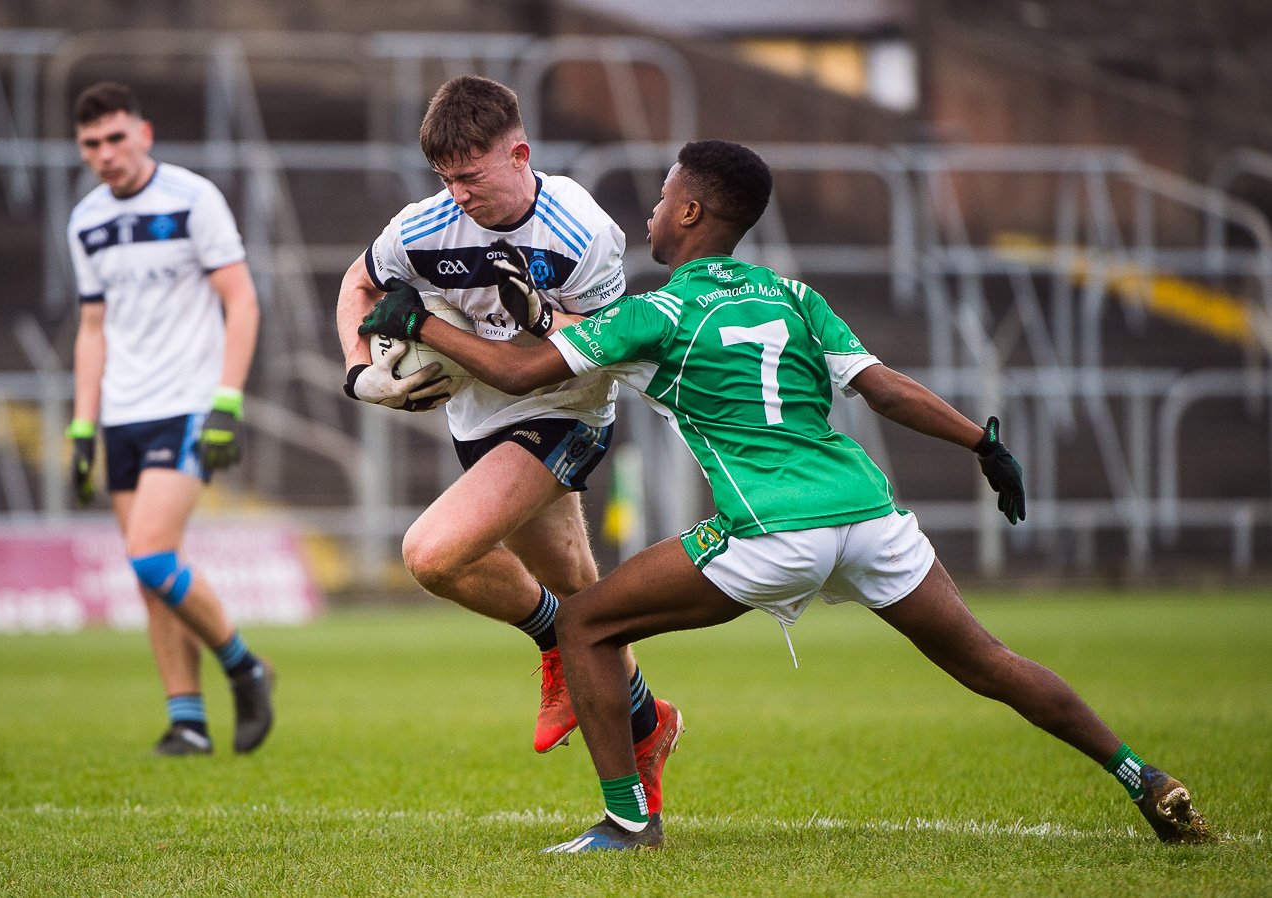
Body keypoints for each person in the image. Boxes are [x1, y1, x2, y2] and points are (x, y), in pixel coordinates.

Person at [359, 139, 1214, 851]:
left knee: (583, 625)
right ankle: (1145, 777)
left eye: (661, 200)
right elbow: (883, 389)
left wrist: (417, 321)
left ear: (690, 212)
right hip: (872, 518)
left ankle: (627, 822)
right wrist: (981, 443)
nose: (650, 216)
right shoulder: (795, 297)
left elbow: (515, 370)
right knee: (988, 662)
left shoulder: (654, 313)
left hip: (771, 531)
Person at [335, 75, 679, 784]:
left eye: (470, 176)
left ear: (519, 154)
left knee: (433, 555)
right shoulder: (422, 227)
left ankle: (558, 645)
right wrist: (358, 370)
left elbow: (616, 339)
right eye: (445, 178)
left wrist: (543, 321)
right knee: (580, 592)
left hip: (564, 410)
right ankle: (646, 728)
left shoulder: (579, 232)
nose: (457, 193)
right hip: (477, 417)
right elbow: (358, 284)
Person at [65, 82, 274, 756]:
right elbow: (92, 328)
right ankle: (187, 719)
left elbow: (241, 302)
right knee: (151, 576)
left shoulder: (192, 199)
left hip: (186, 404)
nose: (105, 153)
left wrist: (226, 402)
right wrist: (80, 425)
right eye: (92, 144)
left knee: (151, 555)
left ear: (144, 133)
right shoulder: (85, 220)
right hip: (121, 414)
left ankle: (244, 666)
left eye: (116, 138)